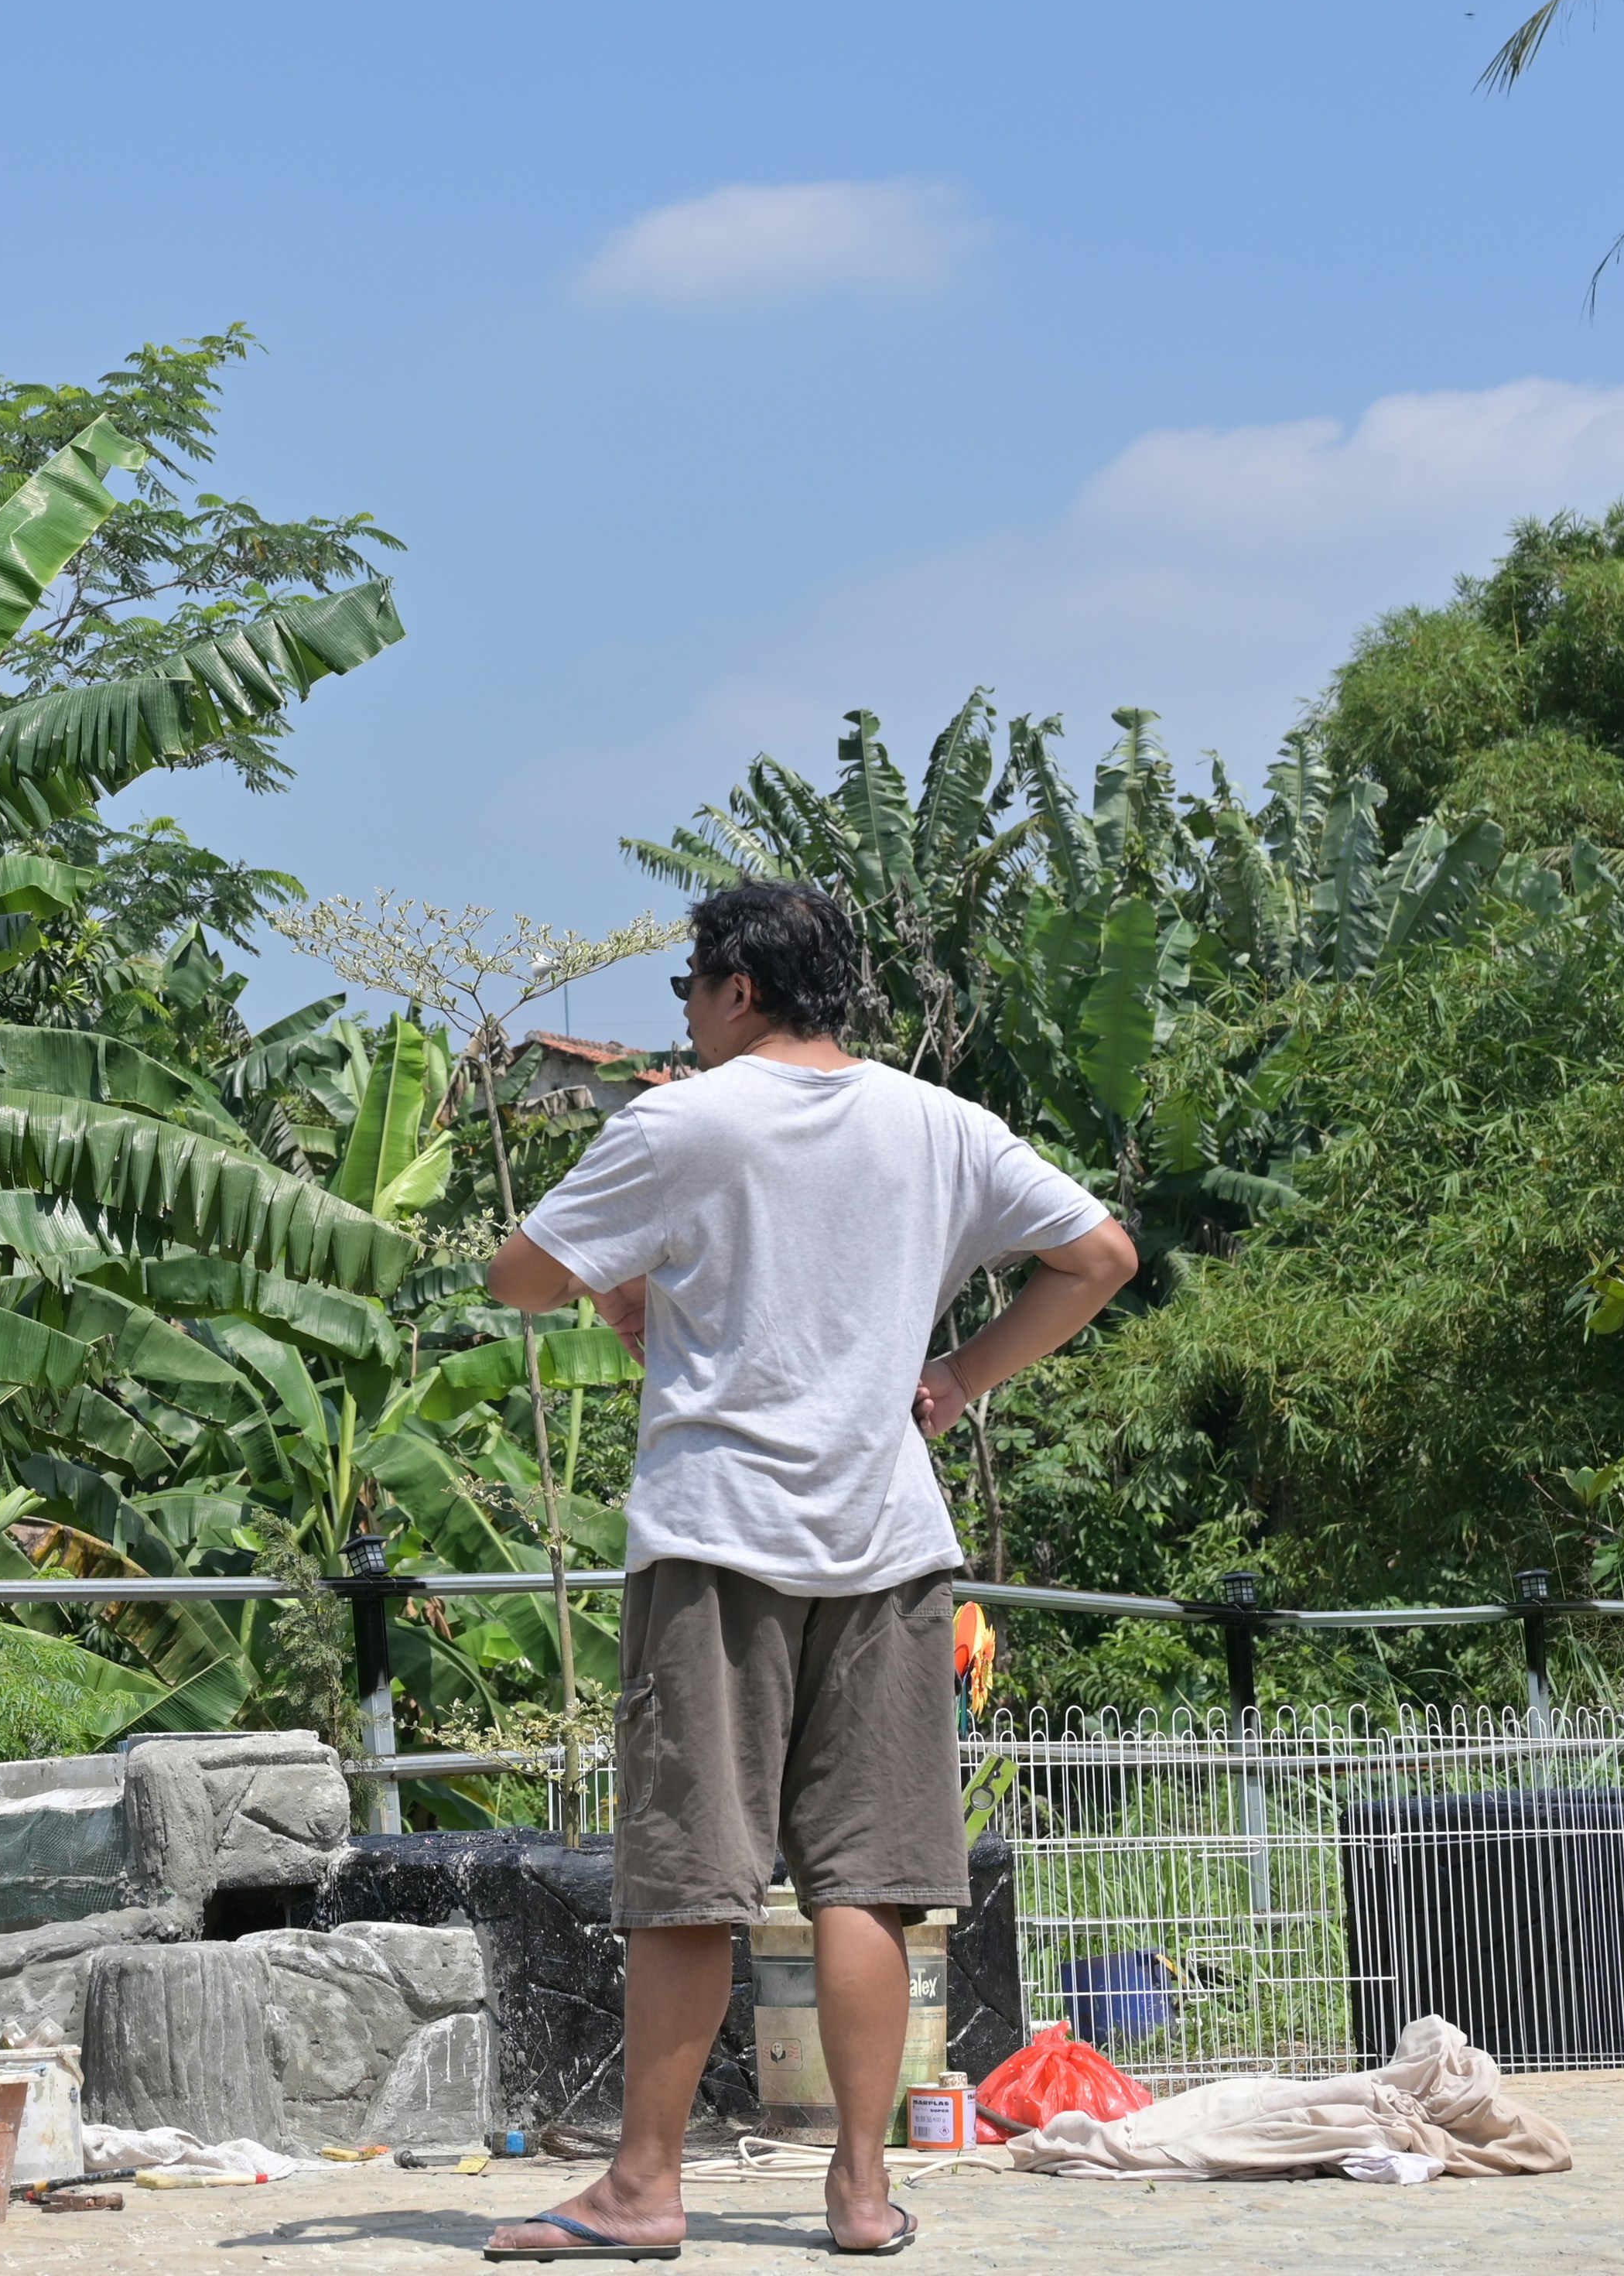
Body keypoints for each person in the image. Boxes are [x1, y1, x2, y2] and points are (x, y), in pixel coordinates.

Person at [480, 880, 1135, 2264]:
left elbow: (516, 1279)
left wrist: (620, 1289)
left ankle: (643, 2191)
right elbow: (1099, 1255)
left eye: (688, 990)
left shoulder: (678, 1121)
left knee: (691, 1881)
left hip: (717, 1538)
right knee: (869, 1887)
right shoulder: (940, 1125)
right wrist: (958, 1374)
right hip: (892, 1546)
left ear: (732, 987)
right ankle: (858, 2192)